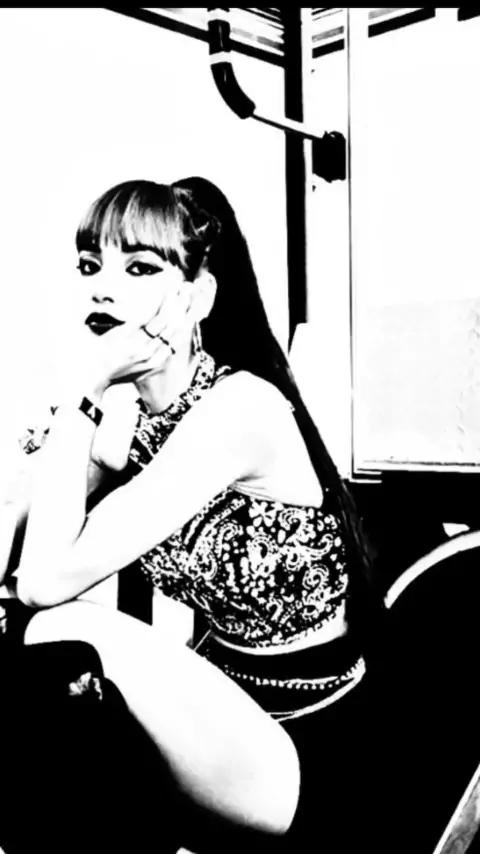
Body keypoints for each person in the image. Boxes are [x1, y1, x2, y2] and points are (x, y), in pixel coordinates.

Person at [3, 177, 389, 853]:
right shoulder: (131, 418)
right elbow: (17, 537)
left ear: (198, 296)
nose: (101, 289)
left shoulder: (241, 409)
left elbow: (43, 585)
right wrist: (87, 417)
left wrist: (86, 386)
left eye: (139, 269)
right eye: (91, 266)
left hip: (311, 738)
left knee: (61, 629)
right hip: (220, 711)